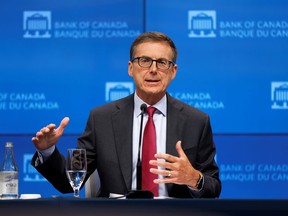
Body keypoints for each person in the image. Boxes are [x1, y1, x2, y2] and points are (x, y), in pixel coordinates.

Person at [31, 31, 221, 198]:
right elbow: (69, 182)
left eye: (162, 63)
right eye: (145, 61)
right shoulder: (101, 119)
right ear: (131, 68)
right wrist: (47, 151)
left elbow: (213, 187)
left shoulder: (196, 121)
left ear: (173, 72)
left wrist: (195, 179)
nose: (153, 70)